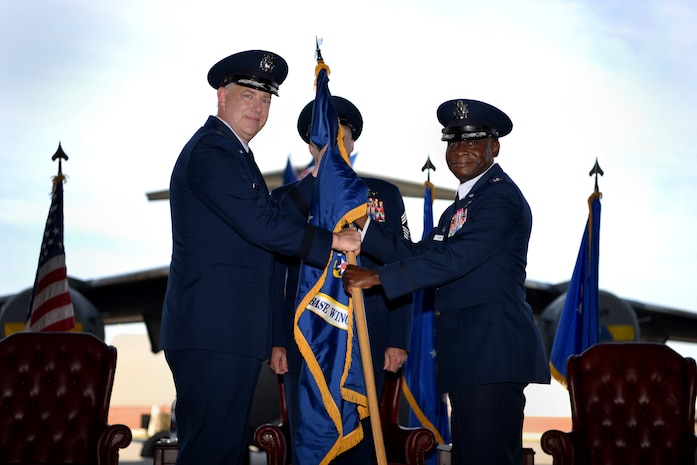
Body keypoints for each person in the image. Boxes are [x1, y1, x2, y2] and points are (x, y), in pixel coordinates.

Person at [159, 50, 362, 465]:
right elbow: (263, 225)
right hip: (213, 330)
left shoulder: (234, 155)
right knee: (211, 452)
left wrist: (321, 176)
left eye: (266, 100)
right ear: (221, 96)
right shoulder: (213, 153)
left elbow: (271, 212)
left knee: (227, 451)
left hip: (226, 331)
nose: (258, 108)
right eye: (248, 96)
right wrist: (332, 242)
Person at [342, 98, 551, 465]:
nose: (461, 152)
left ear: (494, 147)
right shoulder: (460, 207)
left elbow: (456, 259)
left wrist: (377, 277)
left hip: (493, 355)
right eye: (454, 143)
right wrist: (367, 229)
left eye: (472, 142)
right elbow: (424, 254)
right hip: (470, 357)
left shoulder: (500, 198)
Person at [268, 96, 413, 464]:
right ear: (311, 145)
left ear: (353, 143)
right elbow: (277, 276)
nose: (337, 146)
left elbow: (404, 266)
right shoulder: (287, 199)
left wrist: (398, 339)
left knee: (362, 440)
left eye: (342, 138)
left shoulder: (383, 196)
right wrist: (276, 340)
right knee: (312, 436)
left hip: (371, 331)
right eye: (326, 139)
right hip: (308, 334)